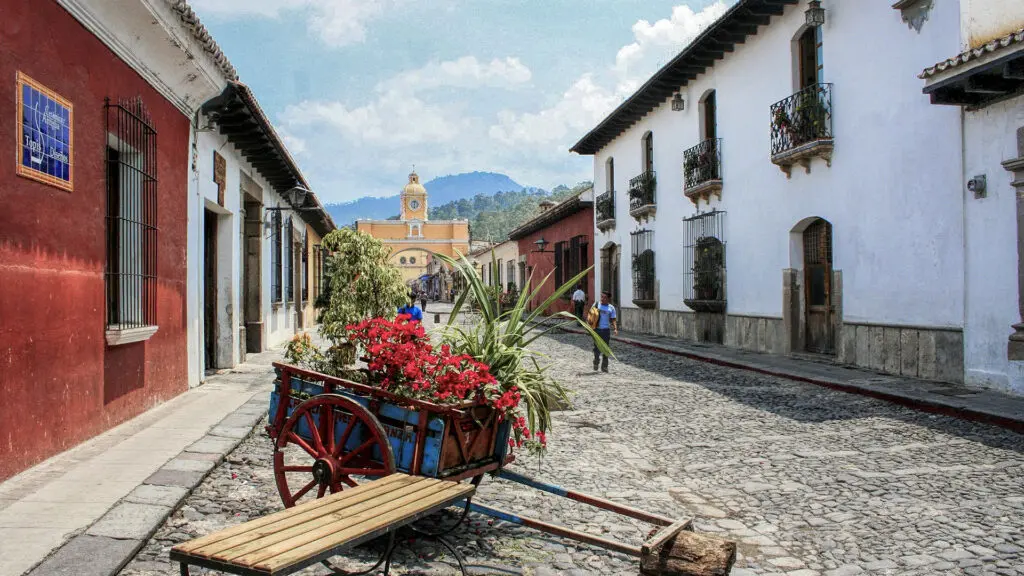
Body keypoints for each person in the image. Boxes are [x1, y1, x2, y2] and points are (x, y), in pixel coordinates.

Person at [591, 291, 617, 373]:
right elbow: (590, 315)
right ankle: (596, 361)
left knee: (606, 348)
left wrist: (615, 328)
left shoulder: (611, 308)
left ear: (608, 298)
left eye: (605, 297)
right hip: (597, 330)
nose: (602, 299)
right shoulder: (596, 304)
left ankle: (604, 366)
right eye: (601, 297)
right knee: (596, 348)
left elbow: (613, 319)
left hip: (606, 330)